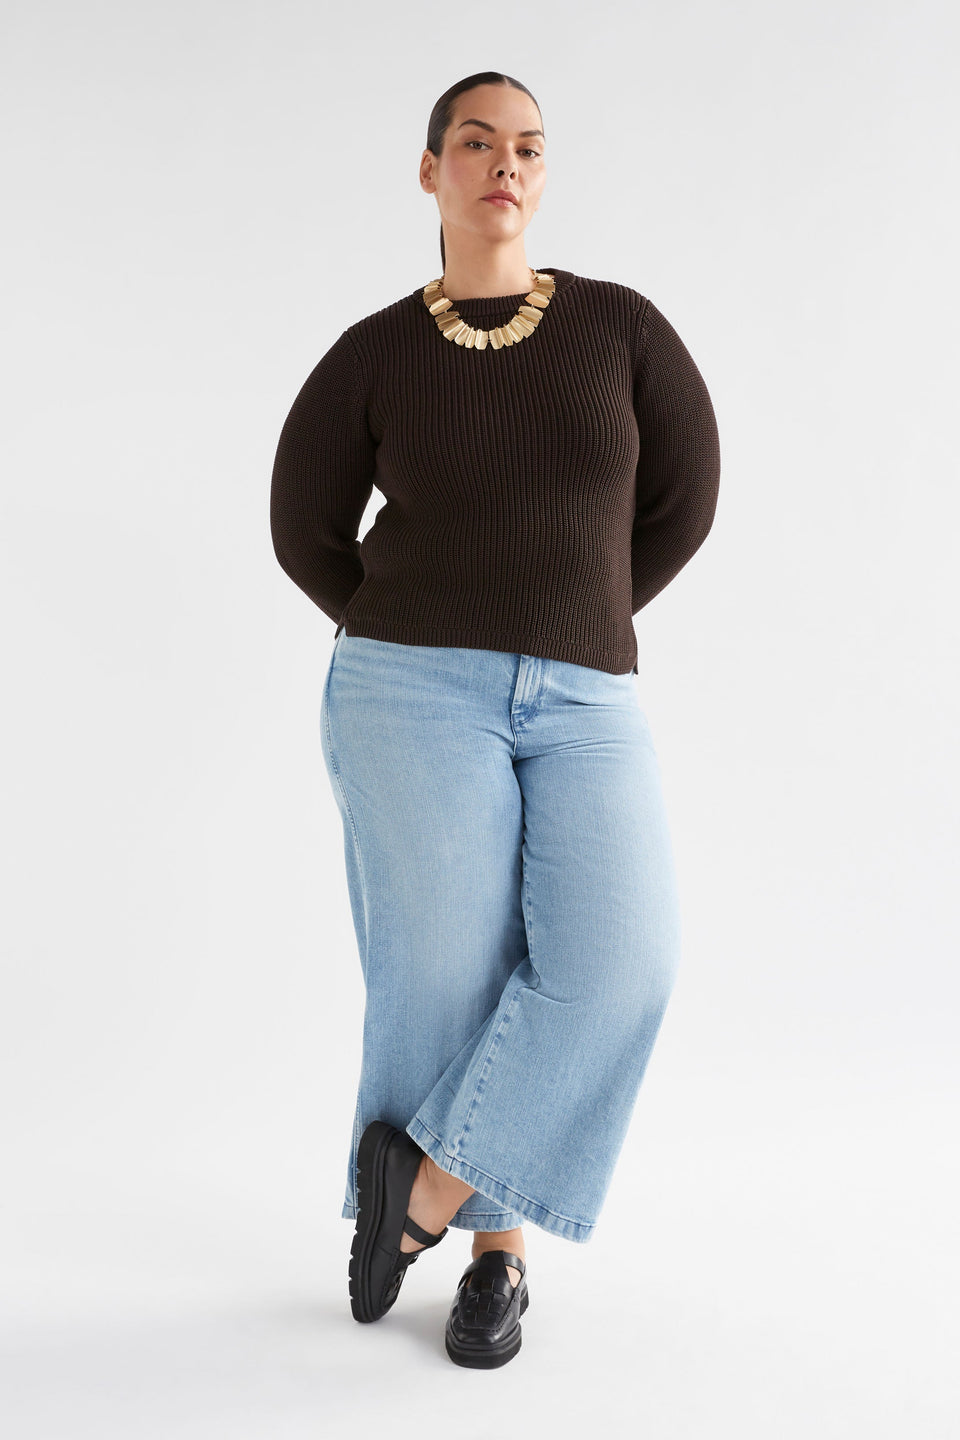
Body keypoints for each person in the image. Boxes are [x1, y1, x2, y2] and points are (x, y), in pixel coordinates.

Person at [269, 70, 721, 1370]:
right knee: (449, 975)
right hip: (408, 689)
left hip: (583, 692)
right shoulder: (376, 353)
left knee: (622, 961)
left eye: (526, 146)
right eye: (475, 143)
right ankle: (496, 1261)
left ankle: (416, 1194)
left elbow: (686, 498)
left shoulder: (621, 328)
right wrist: (415, 626)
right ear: (432, 171)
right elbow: (304, 527)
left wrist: (577, 612)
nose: (503, 164)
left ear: (543, 171)